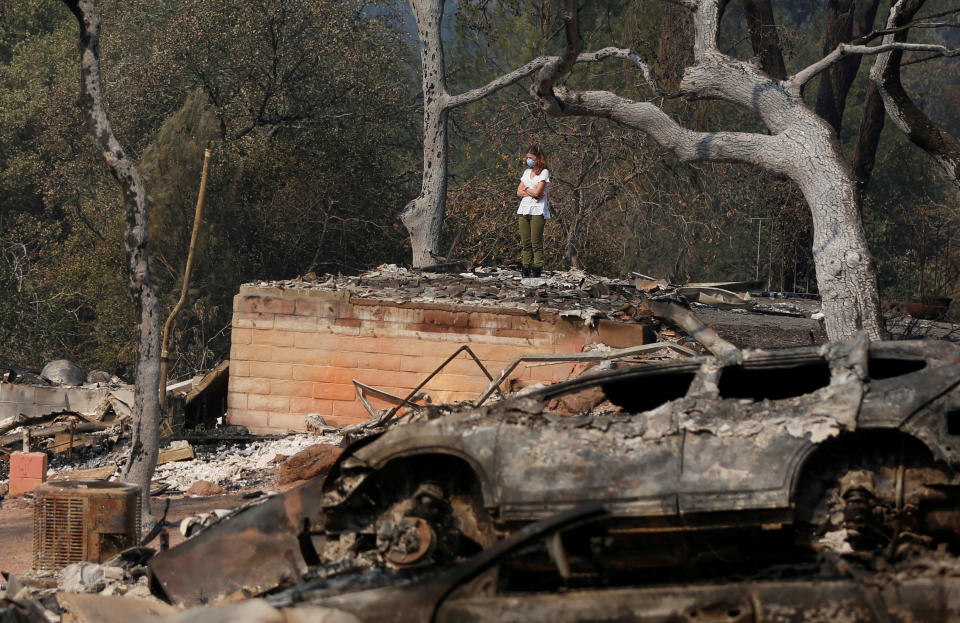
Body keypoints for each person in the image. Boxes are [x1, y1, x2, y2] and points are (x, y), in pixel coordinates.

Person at [516, 144, 550, 278]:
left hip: (537, 210)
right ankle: (525, 267)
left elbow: (538, 191)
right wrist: (530, 192)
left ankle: (536, 268)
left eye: (530, 157)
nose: (527, 160)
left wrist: (527, 190)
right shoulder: (526, 172)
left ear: (537, 158)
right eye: (527, 158)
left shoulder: (544, 172)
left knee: (536, 242)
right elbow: (519, 191)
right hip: (524, 209)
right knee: (526, 242)